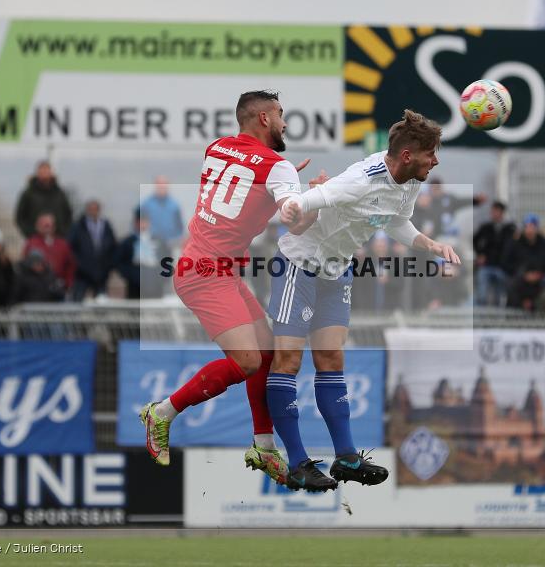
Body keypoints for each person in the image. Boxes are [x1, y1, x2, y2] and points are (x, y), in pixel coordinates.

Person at [270, 109, 460, 492]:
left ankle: (346, 458)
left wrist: (431, 244)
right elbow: (313, 200)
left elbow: (395, 222)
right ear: (408, 155)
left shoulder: (409, 182)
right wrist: (292, 204)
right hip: (299, 265)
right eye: (431, 153)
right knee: (289, 359)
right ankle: (295, 463)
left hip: (337, 270)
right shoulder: (360, 180)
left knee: (331, 358)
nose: (435, 160)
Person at [138, 90, 313, 486]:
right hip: (207, 274)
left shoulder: (216, 148)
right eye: (281, 115)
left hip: (210, 267)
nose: (285, 123)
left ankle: (264, 446)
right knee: (249, 360)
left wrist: (281, 187)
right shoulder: (279, 167)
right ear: (265, 120)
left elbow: (237, 199)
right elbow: (296, 222)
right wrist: (307, 195)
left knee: (265, 351)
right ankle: (161, 414)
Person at [501, 214, 545, 311]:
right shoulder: (514, 243)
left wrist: (539, 274)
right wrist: (524, 274)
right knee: (511, 288)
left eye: (532, 226)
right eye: (527, 226)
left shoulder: (544, 244)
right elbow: (506, 263)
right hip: (518, 279)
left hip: (539, 280)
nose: (530, 230)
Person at [68, 199, 116, 301]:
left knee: (101, 301)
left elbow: (112, 247)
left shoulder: (106, 226)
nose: (93, 212)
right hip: (82, 272)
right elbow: (71, 248)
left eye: (95, 209)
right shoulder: (78, 226)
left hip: (101, 272)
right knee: (77, 299)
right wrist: (79, 264)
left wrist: (108, 266)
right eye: (91, 209)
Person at [473, 200, 516, 307]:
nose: (493, 214)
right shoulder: (486, 227)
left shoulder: (510, 228)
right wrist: (479, 254)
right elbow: (475, 240)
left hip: (502, 266)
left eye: (496, 211)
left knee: (499, 297)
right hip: (487, 265)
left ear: (502, 212)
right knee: (482, 295)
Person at [14, 160, 73, 238]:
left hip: (57, 239)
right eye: (42, 170)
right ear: (37, 173)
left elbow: (68, 214)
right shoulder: (28, 193)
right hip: (35, 240)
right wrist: (30, 233)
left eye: (47, 170)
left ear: (51, 172)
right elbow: (20, 217)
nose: (44, 173)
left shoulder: (60, 193)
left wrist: (63, 232)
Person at [22, 213, 75, 295]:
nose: (47, 228)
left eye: (49, 225)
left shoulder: (62, 244)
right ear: (38, 226)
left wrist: (67, 283)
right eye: (44, 225)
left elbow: (70, 265)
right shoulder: (31, 243)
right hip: (37, 288)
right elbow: (26, 265)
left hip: (58, 287)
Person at [139, 175, 185, 264]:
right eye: (160, 184)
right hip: (152, 246)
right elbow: (139, 225)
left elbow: (180, 227)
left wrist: (176, 241)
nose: (162, 187)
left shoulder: (174, 205)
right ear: (155, 185)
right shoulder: (146, 204)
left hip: (169, 247)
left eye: (164, 184)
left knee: (166, 272)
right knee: (151, 273)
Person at [115, 210, 160, 299]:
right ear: (135, 223)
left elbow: (167, 260)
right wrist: (130, 275)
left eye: (144, 221)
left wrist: (160, 278)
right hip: (134, 286)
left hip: (154, 286)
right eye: (139, 221)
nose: (142, 224)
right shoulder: (128, 242)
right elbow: (118, 262)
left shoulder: (158, 240)